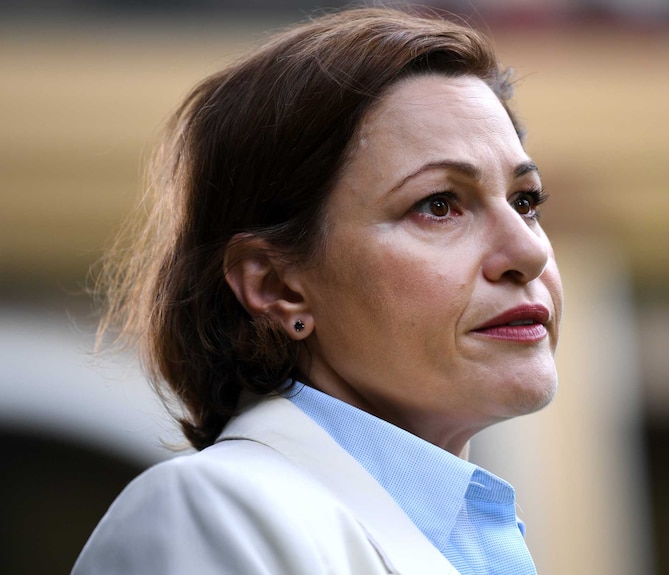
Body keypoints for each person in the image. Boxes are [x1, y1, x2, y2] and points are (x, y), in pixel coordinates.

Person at [73, 6, 563, 575]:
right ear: (278, 286)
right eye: (437, 205)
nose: (529, 254)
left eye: (525, 201)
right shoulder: (211, 514)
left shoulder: (472, 541)